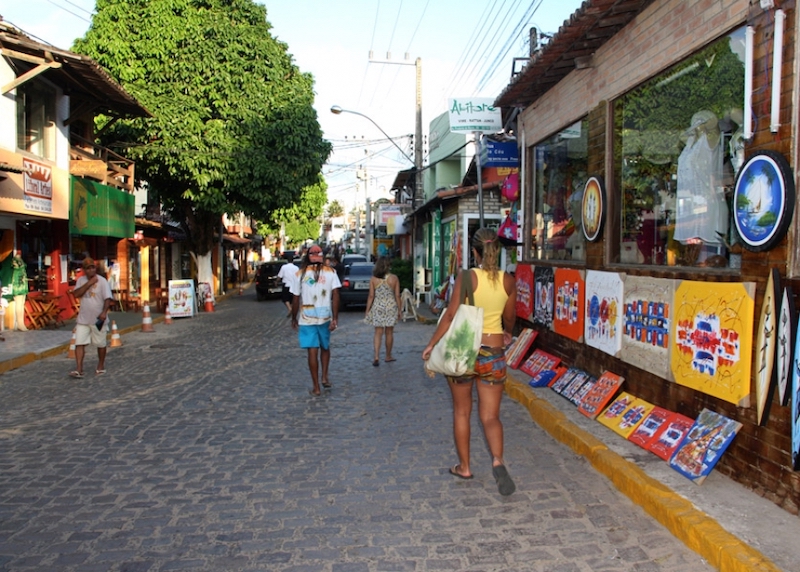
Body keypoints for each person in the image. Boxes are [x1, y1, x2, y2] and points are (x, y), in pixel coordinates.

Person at [421, 228, 517, 496]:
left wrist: (431, 345)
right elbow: (510, 318)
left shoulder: (466, 277)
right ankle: (497, 459)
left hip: (464, 351)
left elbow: (451, 315)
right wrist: (507, 332)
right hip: (494, 352)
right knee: (491, 416)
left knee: (462, 411)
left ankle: (464, 466)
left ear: (474, 252)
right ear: (497, 251)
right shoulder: (508, 280)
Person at [290, 245, 341, 396]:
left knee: (312, 351)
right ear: (322, 257)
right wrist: (335, 317)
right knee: (325, 347)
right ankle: (325, 376)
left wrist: (294, 317)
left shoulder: (300, 274)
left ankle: (316, 387)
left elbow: (295, 298)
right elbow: (336, 295)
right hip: (325, 316)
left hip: (307, 317)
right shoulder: (331, 272)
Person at [70, 257, 113, 378]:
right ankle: (79, 368)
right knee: (79, 343)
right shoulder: (81, 280)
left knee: (100, 343)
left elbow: (107, 298)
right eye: (88, 268)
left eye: (92, 267)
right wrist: (89, 283)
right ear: (84, 270)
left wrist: (104, 312)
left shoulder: (102, 281)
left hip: (98, 319)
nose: (91, 270)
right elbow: (76, 294)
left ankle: (100, 365)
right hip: (83, 318)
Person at [365, 256, 402, 366]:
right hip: (391, 306)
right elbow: (397, 295)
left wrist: (367, 310)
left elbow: (371, 296)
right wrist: (400, 309)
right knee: (389, 332)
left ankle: (376, 356)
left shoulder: (373, 279)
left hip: (378, 306)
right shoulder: (394, 278)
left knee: (378, 332)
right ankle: (388, 355)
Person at [11, 252, 28, 331]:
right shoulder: (15, 260)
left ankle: (22, 323)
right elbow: (17, 267)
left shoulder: (21, 260)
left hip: (23, 283)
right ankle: (19, 323)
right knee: (19, 304)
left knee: (22, 304)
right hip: (18, 283)